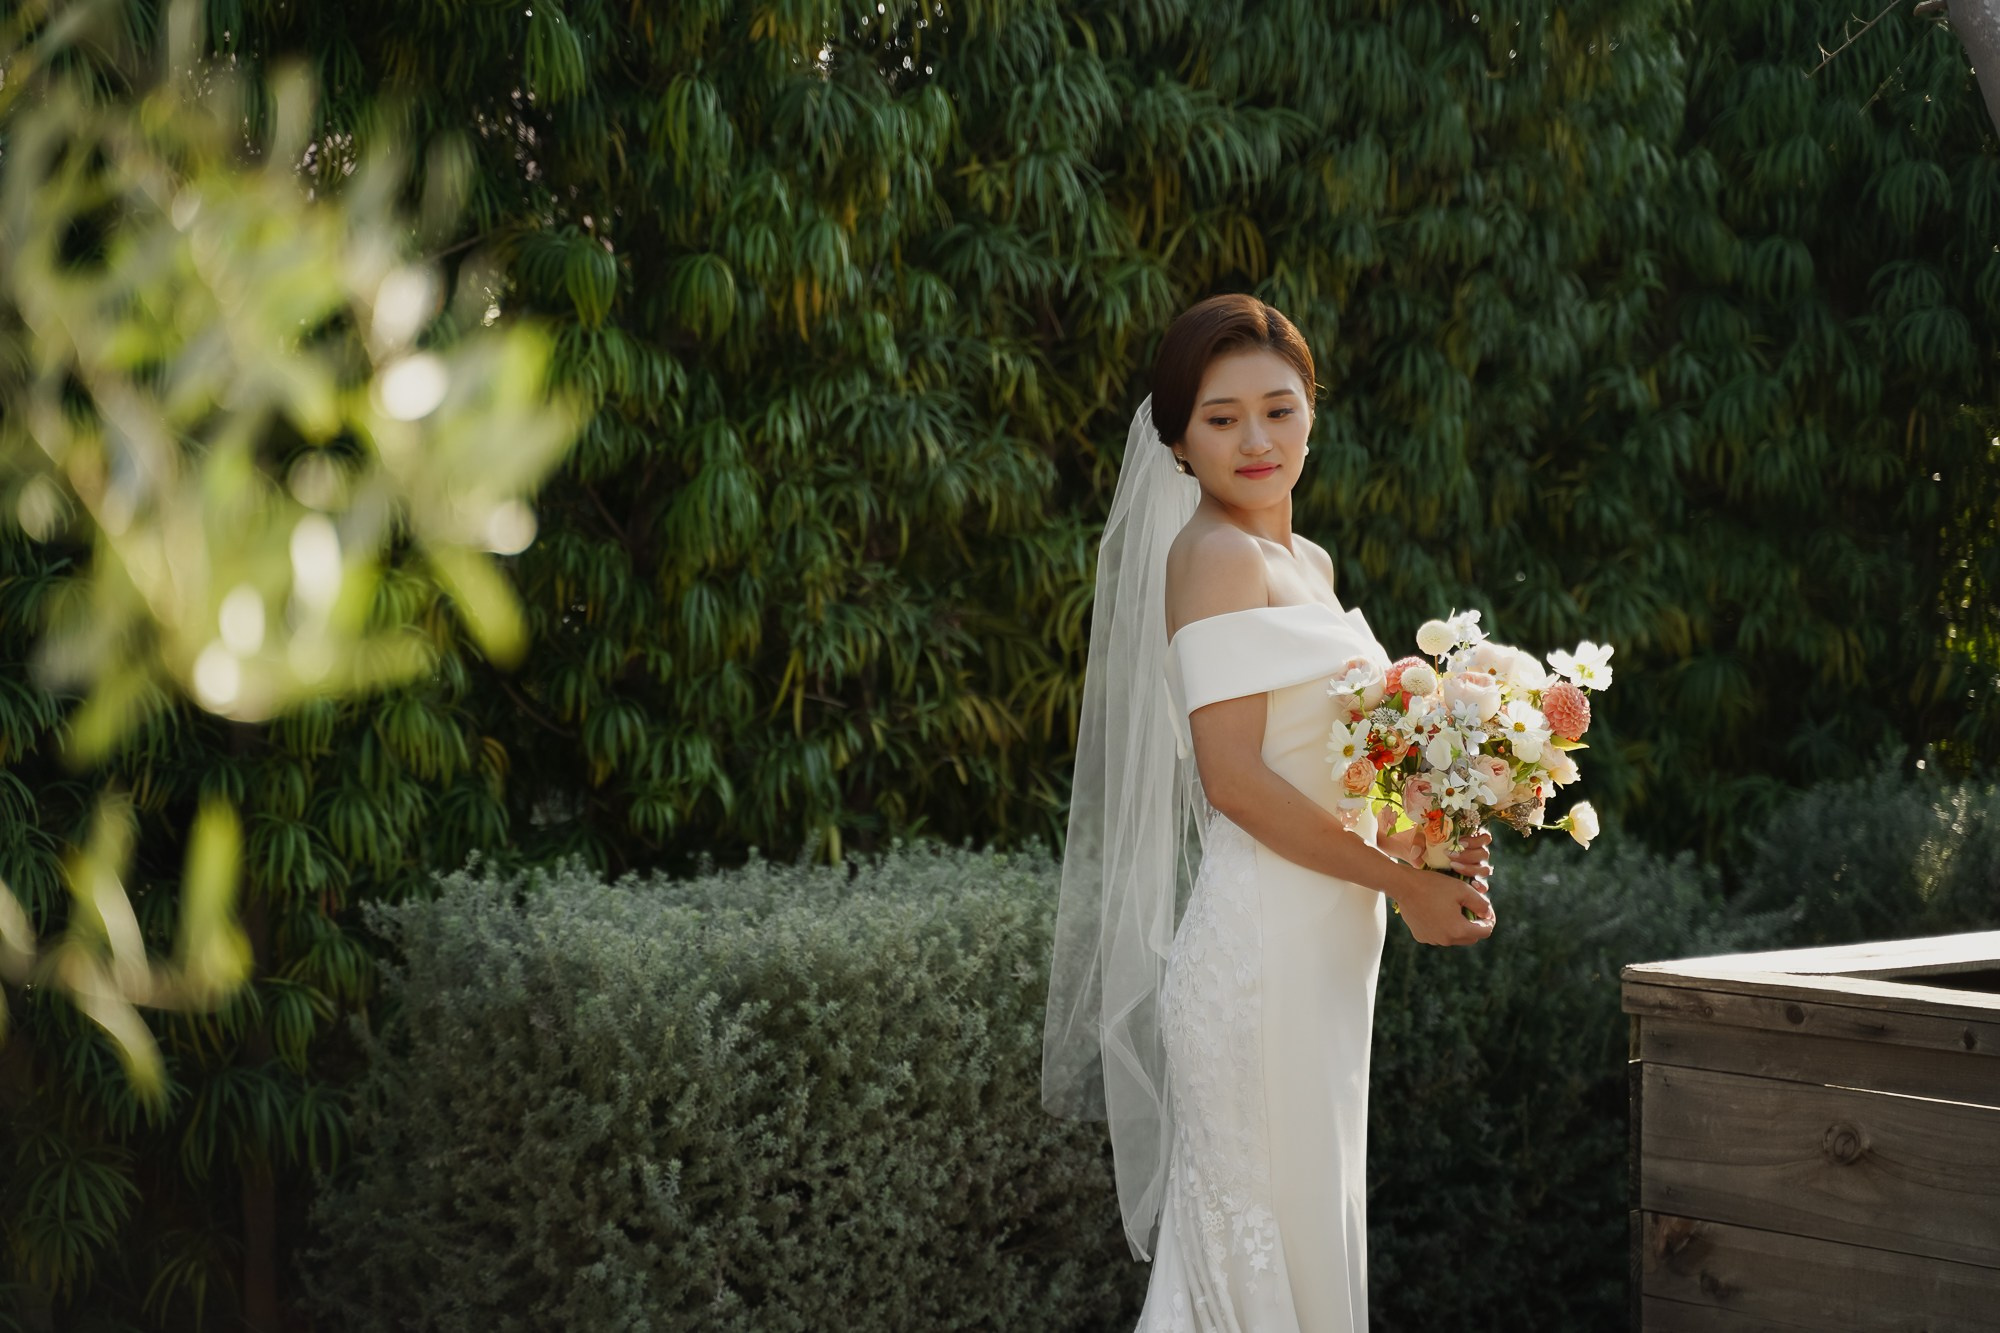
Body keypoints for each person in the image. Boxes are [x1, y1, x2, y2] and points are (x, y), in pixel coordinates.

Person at [1042, 294, 1496, 1332]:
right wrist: (1401, 887)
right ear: (1176, 439)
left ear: (1311, 417)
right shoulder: (1213, 557)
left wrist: (1425, 836)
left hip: (1329, 953)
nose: (1255, 440)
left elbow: (1331, 764)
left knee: (1308, 1226)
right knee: (1254, 1255)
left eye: (1278, 410)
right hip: (1260, 953)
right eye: (1220, 417)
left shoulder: (1310, 565)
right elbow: (1233, 781)